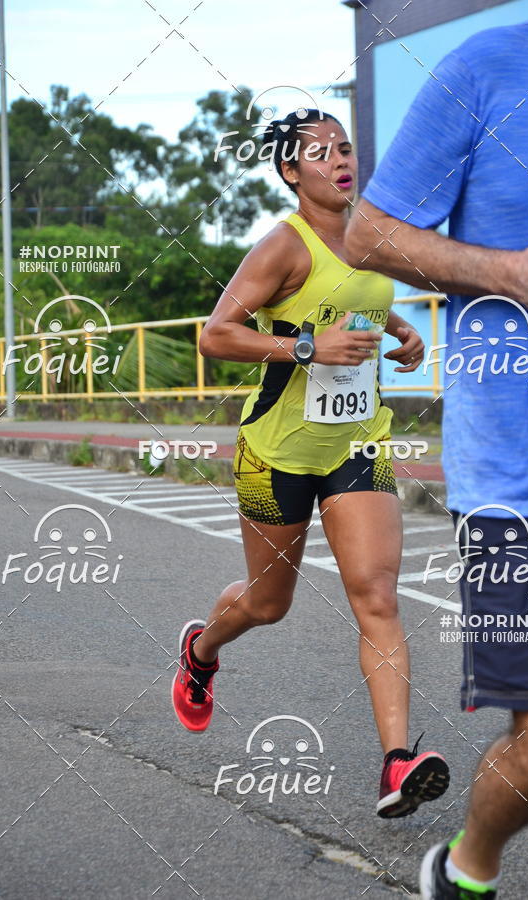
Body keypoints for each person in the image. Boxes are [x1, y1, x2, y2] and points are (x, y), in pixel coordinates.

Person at [344, 0, 528, 895]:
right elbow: (370, 235)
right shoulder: (486, 69)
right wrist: (511, 273)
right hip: (522, 486)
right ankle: (467, 868)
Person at [171, 109, 450, 818]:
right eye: (320, 153)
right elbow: (215, 336)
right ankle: (202, 650)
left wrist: (400, 329)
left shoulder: (373, 234)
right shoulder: (281, 247)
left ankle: (396, 763)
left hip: (357, 443)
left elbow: (354, 300)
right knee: (269, 604)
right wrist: (306, 349)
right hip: (278, 453)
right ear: (291, 172)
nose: (340, 160)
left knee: (378, 597)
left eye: (346, 147)